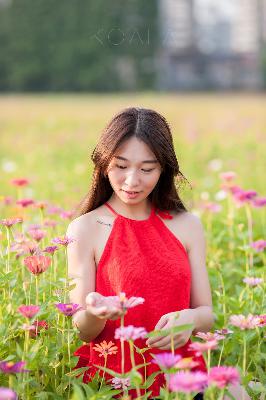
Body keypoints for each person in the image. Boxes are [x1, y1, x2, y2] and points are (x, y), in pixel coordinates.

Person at [66, 107, 248, 399]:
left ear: (164, 169)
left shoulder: (187, 225)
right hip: (116, 379)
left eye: (147, 169)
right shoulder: (84, 229)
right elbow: (83, 330)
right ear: (103, 164)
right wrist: (97, 313)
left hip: (182, 376)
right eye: (121, 166)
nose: (132, 181)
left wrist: (189, 319)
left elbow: (207, 313)